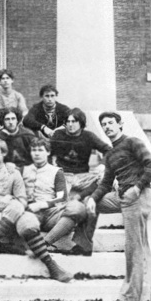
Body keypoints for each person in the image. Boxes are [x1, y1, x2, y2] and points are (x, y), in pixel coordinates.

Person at [0, 139, 73, 283]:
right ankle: (5, 246)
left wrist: (9, 198)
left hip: (10, 215)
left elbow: (22, 200)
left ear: (4, 153)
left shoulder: (14, 172)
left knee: (18, 208)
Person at [85, 112, 151, 301]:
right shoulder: (110, 153)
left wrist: (137, 188)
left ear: (120, 125)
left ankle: (129, 299)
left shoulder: (132, 142)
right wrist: (93, 199)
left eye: (111, 123)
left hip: (137, 196)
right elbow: (106, 183)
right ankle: (83, 242)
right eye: (104, 124)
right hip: (122, 197)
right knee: (90, 203)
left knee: (132, 248)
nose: (107, 127)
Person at [50, 108, 112, 256]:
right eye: (68, 122)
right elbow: (46, 151)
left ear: (81, 123)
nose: (70, 125)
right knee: (61, 202)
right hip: (62, 175)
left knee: (98, 186)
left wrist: (102, 164)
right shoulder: (58, 135)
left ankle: (83, 244)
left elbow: (109, 150)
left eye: (74, 121)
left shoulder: (88, 136)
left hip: (82, 176)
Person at [22, 138, 87, 254]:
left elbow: (62, 198)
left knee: (78, 209)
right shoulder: (24, 170)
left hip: (50, 214)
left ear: (48, 152)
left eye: (40, 150)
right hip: (29, 214)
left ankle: (45, 243)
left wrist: (42, 204)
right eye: (34, 150)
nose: (37, 153)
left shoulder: (56, 171)